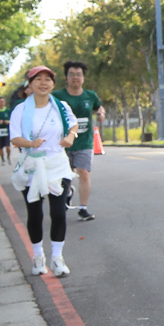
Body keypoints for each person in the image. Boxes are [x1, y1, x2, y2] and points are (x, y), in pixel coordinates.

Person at [8, 65, 78, 277]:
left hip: (57, 165)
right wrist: (30, 143)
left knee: (58, 213)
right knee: (35, 214)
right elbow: (15, 138)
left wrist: (70, 137)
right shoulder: (20, 110)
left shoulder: (61, 106)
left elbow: (73, 124)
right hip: (32, 165)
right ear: (29, 85)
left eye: (47, 79)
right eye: (38, 79)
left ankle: (57, 258)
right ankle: (38, 257)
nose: (43, 83)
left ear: (53, 84)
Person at [54, 61, 105, 220]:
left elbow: (99, 107)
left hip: (84, 142)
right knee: (65, 176)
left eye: (79, 74)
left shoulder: (90, 95)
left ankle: (83, 208)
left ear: (83, 78)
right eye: (72, 74)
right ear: (66, 77)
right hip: (63, 143)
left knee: (84, 172)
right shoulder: (57, 96)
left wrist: (101, 114)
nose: (75, 77)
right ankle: (66, 194)